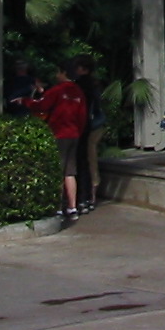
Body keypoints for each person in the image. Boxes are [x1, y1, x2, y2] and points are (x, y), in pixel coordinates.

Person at [23, 61, 88, 221]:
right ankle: (72, 207)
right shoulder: (78, 91)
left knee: (58, 171)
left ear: (63, 72)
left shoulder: (58, 90)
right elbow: (82, 115)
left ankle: (58, 207)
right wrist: (77, 131)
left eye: (57, 72)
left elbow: (42, 105)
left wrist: (25, 101)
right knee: (70, 172)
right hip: (74, 134)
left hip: (59, 134)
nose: (55, 75)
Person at [72, 55, 105, 214]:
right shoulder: (95, 84)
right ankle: (90, 197)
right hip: (96, 125)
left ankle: (85, 198)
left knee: (86, 160)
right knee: (90, 161)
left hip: (87, 126)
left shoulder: (80, 85)